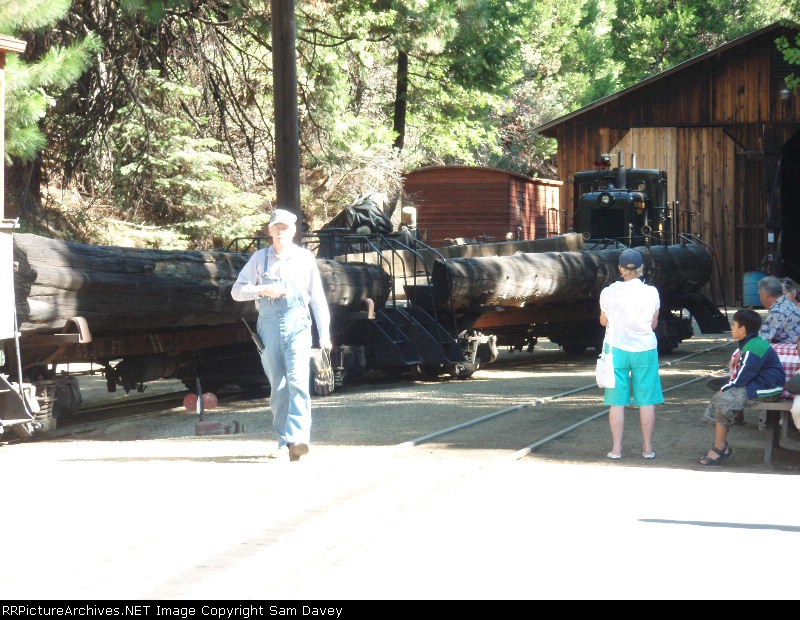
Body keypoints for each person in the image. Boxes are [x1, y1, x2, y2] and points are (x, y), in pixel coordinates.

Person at [231, 208, 332, 462]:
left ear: (294, 231)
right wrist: (263, 289)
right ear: (270, 231)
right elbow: (236, 292)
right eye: (276, 227)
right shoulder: (259, 259)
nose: (280, 231)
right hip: (269, 326)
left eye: (285, 227)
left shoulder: (305, 258)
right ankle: (283, 441)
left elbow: (318, 300)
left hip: (298, 323)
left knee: (298, 381)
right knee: (278, 385)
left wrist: (325, 334)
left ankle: (298, 439)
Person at [599, 248, 664, 460]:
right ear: (641, 268)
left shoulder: (608, 292)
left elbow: (603, 320)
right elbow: (653, 324)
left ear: (620, 269)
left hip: (616, 347)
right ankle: (647, 448)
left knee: (616, 401)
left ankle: (616, 449)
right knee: (646, 401)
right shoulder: (652, 293)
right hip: (645, 349)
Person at [700, 308, 785, 465]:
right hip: (759, 382)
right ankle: (721, 444)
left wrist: (727, 386)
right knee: (723, 396)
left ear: (743, 329)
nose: (732, 328)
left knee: (725, 398)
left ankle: (720, 447)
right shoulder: (750, 343)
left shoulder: (754, 347)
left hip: (769, 388)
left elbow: (743, 377)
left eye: (734, 325)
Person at [758, 275, 800, 344]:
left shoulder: (777, 312)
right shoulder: (789, 304)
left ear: (766, 295)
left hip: (792, 352)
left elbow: (762, 340)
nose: (760, 299)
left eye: (760, 295)